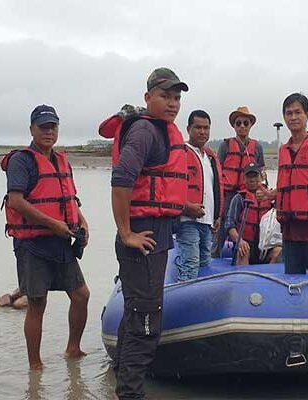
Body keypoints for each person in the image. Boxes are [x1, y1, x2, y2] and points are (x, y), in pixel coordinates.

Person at [103, 67, 189, 400]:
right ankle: (130, 394)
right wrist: (126, 232)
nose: (173, 103)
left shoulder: (162, 131)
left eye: (177, 97)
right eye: (165, 96)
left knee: (135, 315)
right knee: (146, 325)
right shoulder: (144, 132)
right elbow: (122, 179)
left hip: (156, 234)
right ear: (148, 97)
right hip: (142, 239)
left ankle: (122, 390)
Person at [1, 104, 90, 370]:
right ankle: (35, 365)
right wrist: (52, 224)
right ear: (32, 129)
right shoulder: (21, 160)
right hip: (33, 244)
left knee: (81, 295)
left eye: (53, 127)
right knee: (37, 303)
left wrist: (83, 223)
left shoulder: (62, 160)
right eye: (43, 127)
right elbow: (16, 201)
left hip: (61, 240)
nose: (49, 132)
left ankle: (73, 348)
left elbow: (71, 199)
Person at [260, 93, 308, 274]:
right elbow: (288, 186)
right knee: (292, 281)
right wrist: (270, 194)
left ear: (307, 115)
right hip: (290, 231)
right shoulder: (283, 150)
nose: (293, 117)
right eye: (289, 113)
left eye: (298, 112)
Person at [176, 109, 223, 281]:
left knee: (205, 264)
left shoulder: (210, 157)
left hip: (208, 222)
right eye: (198, 127)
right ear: (188, 129)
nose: (203, 132)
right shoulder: (180, 153)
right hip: (188, 220)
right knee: (190, 263)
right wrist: (185, 208)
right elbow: (173, 187)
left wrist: (217, 215)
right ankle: (183, 302)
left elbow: (214, 188)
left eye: (206, 128)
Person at [212, 106, 265, 257]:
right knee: (221, 228)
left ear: (250, 125)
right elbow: (218, 171)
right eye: (238, 123)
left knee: (250, 226)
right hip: (228, 194)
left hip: (248, 195)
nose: (242, 126)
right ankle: (214, 257)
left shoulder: (257, 147)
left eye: (245, 123)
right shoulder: (226, 145)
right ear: (234, 126)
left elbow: (261, 172)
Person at [224, 163, 281, 265]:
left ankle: (271, 278)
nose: (252, 180)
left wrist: (272, 197)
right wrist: (239, 241)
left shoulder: (271, 197)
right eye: (249, 177)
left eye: (255, 176)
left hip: (266, 246)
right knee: (243, 250)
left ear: (261, 177)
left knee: (278, 252)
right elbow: (229, 225)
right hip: (247, 243)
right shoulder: (239, 198)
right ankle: (243, 279)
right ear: (244, 179)